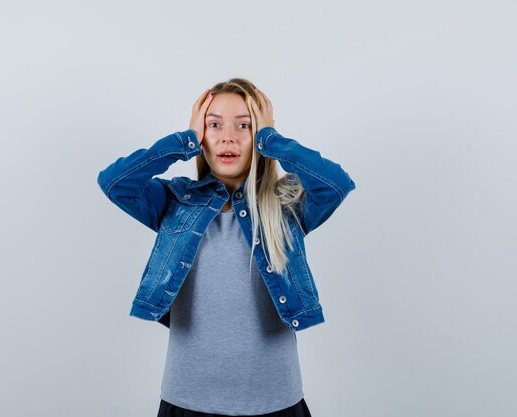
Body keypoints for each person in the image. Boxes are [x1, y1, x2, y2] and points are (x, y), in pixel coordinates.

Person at [98, 78, 356, 417]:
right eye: (214, 124)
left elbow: (335, 184)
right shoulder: (175, 201)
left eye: (245, 126)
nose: (228, 137)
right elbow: (115, 183)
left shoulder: (285, 205)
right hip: (186, 398)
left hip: (275, 400)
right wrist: (184, 141)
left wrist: (272, 140)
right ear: (200, 135)